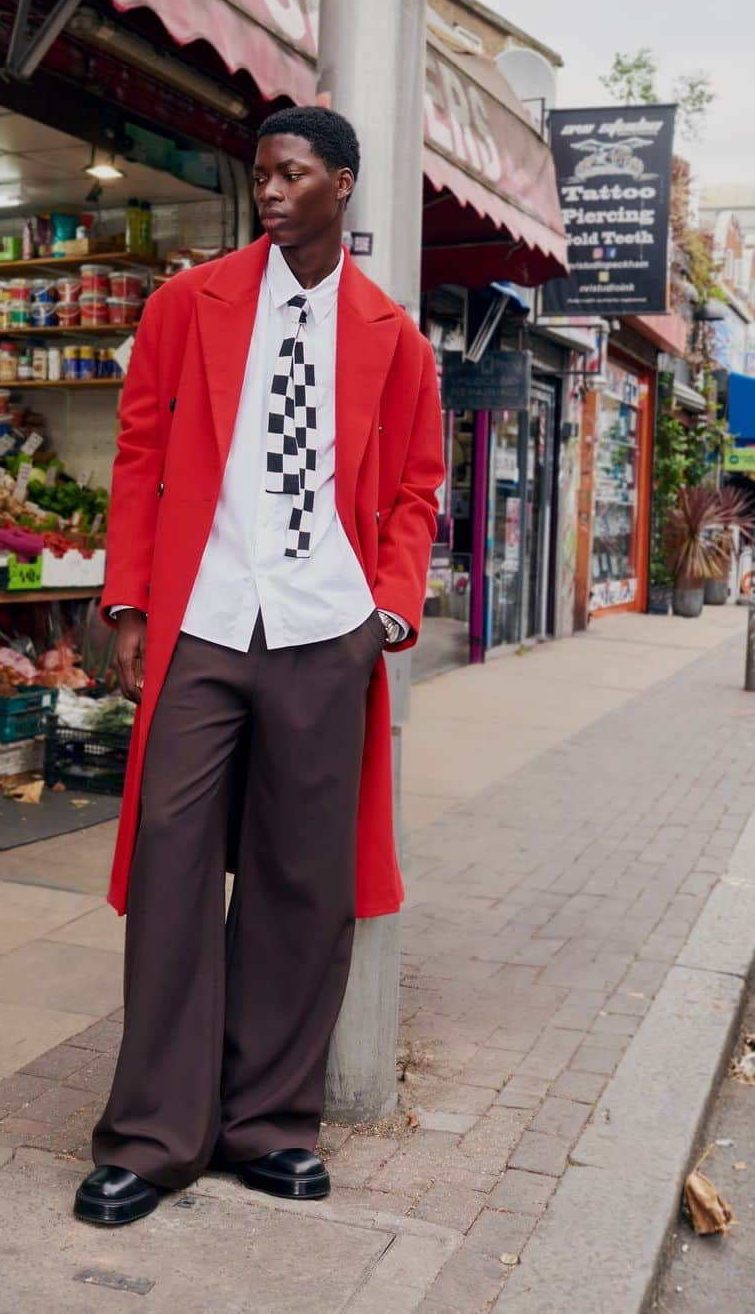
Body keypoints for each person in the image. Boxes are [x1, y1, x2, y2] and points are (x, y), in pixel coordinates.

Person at [74, 106, 444, 1226]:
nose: (270, 191)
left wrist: (385, 612)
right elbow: (140, 450)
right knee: (175, 865)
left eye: (290, 174)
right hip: (206, 621)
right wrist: (130, 599)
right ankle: (152, 1135)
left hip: (326, 631)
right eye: (260, 175)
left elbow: (419, 489)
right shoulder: (189, 304)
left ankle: (271, 1124)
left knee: (301, 879)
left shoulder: (395, 336)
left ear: (342, 183)